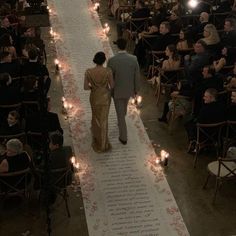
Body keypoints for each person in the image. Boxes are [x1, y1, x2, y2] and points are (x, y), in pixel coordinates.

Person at [107, 38, 140, 144]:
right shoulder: (133, 58)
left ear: (117, 46)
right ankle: (121, 120)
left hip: (117, 90)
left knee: (120, 115)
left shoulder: (112, 60)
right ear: (126, 46)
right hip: (129, 89)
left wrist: (109, 89)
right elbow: (137, 76)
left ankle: (123, 137)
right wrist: (136, 90)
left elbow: (109, 77)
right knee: (123, 108)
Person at [84, 52, 114, 152]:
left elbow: (85, 87)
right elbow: (112, 86)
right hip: (105, 97)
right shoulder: (108, 71)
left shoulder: (88, 72)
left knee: (96, 117)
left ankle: (97, 138)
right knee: (104, 120)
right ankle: (103, 144)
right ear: (104, 60)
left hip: (94, 97)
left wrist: (93, 87)